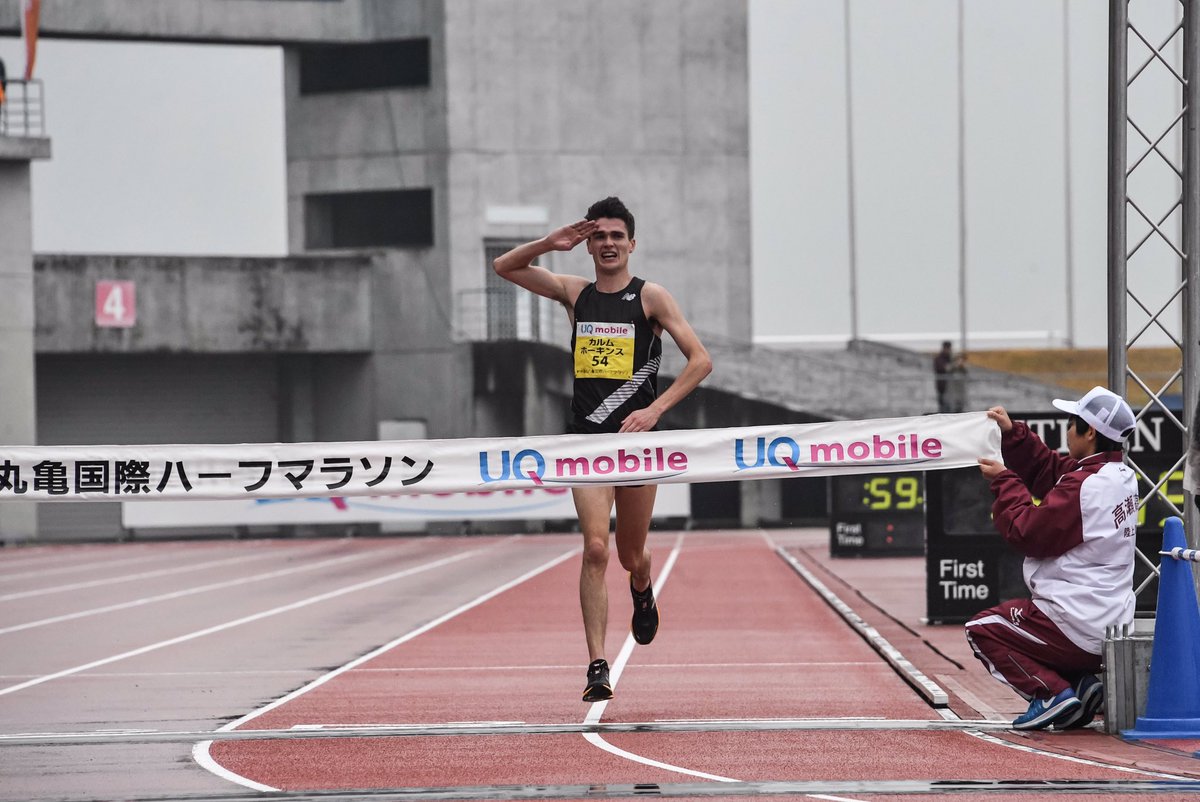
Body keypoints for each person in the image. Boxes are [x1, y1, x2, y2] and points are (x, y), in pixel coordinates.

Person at [493, 196, 712, 702]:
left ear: (631, 244)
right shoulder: (576, 294)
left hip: (635, 444)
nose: (608, 244)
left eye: (616, 236)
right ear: (588, 246)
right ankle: (597, 665)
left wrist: (655, 411)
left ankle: (642, 585)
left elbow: (700, 361)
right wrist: (550, 243)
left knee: (630, 554)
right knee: (595, 548)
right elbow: (504, 266)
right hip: (586, 443)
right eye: (599, 237)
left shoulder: (651, 297)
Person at [968, 386, 1138, 731]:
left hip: (1075, 621)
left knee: (982, 629)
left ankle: (1050, 693)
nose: (1067, 429)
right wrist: (1014, 435)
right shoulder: (1118, 475)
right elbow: (1053, 472)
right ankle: (1080, 686)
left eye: (1072, 423)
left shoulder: (1086, 486)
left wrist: (1004, 482)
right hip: (1109, 622)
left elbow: (1026, 532)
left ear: (1090, 432)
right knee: (1016, 624)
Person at [934, 340, 953, 413]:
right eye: (948, 349)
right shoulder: (939, 359)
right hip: (942, 386)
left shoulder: (949, 358)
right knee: (943, 407)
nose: (949, 350)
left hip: (950, 388)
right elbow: (945, 368)